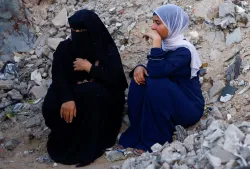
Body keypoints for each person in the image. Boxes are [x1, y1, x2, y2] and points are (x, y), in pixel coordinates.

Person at [42, 9, 128, 167]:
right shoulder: (65, 48)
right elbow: (58, 77)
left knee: (91, 92)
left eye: (81, 31)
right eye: (74, 30)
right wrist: (67, 99)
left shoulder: (105, 48)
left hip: (100, 96)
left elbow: (118, 81)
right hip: (75, 92)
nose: (77, 34)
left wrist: (90, 69)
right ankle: (64, 138)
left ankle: (90, 145)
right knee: (52, 99)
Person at [116, 4, 204, 155]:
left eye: (158, 23)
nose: (152, 27)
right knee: (140, 81)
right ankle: (137, 132)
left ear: (172, 25)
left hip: (188, 107)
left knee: (156, 82)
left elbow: (157, 72)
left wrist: (155, 42)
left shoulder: (184, 51)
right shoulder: (166, 46)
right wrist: (139, 67)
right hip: (168, 101)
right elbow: (155, 68)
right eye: (153, 22)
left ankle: (155, 140)